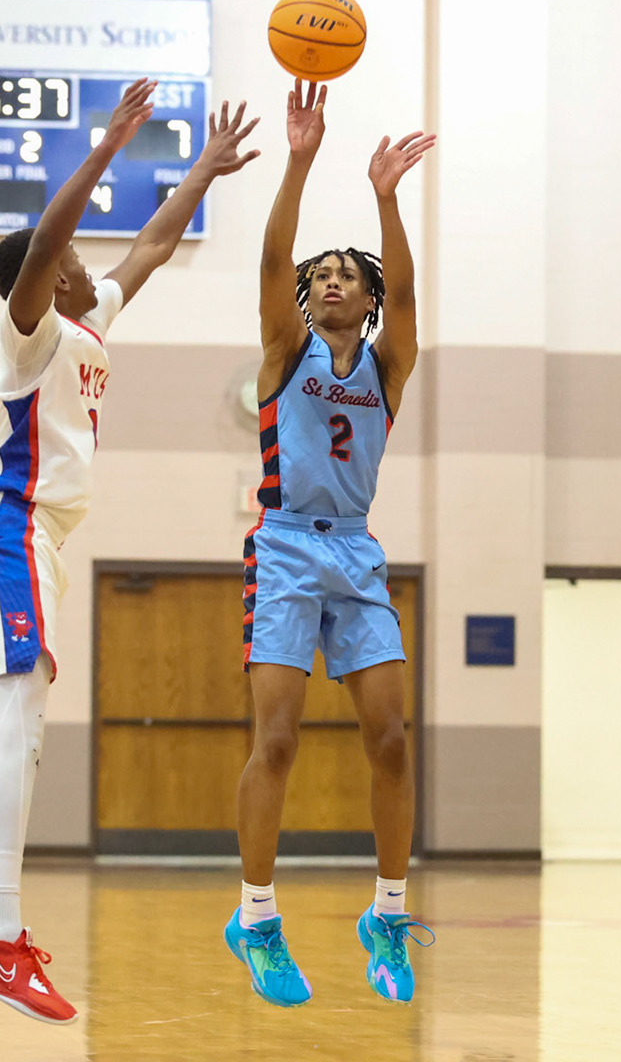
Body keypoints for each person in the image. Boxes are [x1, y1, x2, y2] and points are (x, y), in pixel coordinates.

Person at [0, 85, 260, 1054]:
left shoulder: (89, 323)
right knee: (21, 721)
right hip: (8, 536)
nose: (84, 263)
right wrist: (109, 146)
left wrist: (200, 172)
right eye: (73, 258)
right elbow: (42, 244)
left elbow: (154, 249)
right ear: (43, 281)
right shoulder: (28, 329)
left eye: (79, 262)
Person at [228, 81, 436, 1008]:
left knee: (389, 740)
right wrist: (301, 159)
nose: (331, 279)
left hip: (353, 550)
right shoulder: (285, 350)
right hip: (282, 545)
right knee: (277, 738)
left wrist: (387, 198)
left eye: (349, 273)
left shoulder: (390, 365)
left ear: (371, 300)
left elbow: (410, 288)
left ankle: (386, 913)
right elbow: (274, 253)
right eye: (323, 275)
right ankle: (257, 918)